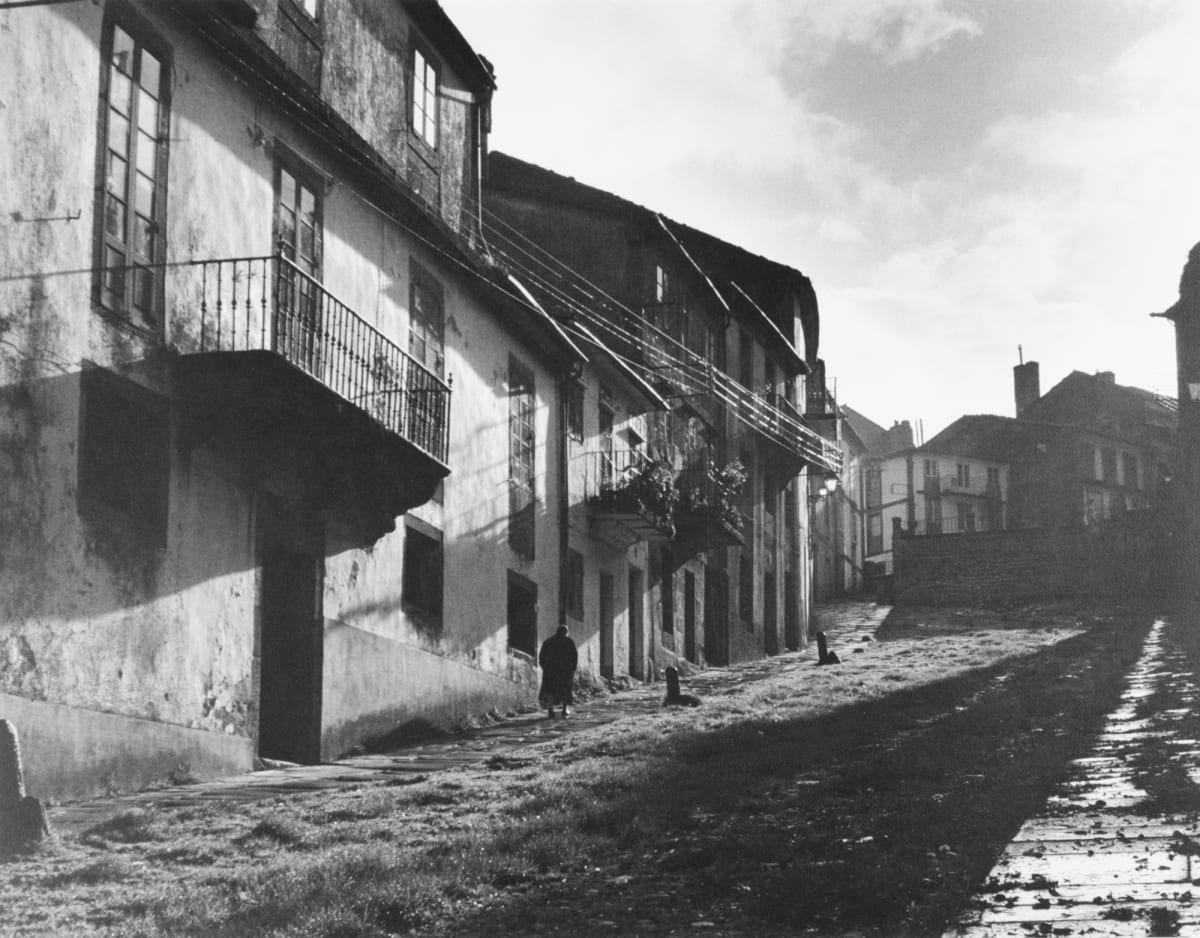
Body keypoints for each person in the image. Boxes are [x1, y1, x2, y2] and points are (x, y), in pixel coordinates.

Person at [538, 625, 578, 718]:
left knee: (550, 691)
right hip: (565, 671)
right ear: (566, 632)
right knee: (565, 690)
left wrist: (545, 668)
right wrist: (572, 668)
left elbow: (542, 657)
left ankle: (550, 709)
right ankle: (564, 709)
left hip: (551, 671)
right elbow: (574, 656)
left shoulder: (548, 642)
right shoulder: (569, 642)